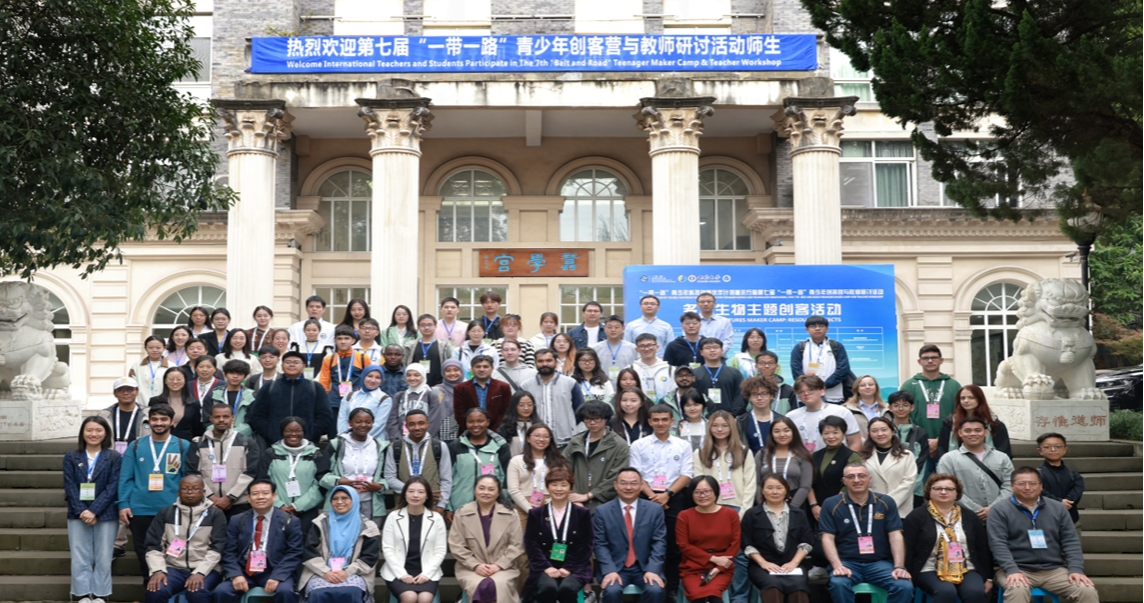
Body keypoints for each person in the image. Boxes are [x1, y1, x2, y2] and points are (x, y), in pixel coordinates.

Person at [989, 467, 1097, 603]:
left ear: (1041, 486)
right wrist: (1011, 569)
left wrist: (1076, 569)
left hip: (1053, 570)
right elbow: (998, 543)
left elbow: (1070, 541)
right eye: (1021, 483)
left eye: (1032, 483)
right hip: (1016, 569)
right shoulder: (999, 510)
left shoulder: (1057, 508)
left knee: (1086, 589)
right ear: (1012, 486)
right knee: (1017, 589)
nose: (1027, 487)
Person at [820, 463, 912, 603]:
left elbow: (895, 535)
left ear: (869, 479)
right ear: (844, 481)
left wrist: (899, 566)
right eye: (851, 476)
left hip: (880, 563)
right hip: (847, 562)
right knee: (838, 584)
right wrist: (837, 566)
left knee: (904, 586)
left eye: (861, 476)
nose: (857, 480)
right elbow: (827, 538)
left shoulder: (885, 502)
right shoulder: (831, 503)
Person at [631, 403, 694, 602]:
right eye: (656, 420)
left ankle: (672, 590)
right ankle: (648, 585)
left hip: (675, 498)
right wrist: (654, 498)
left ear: (672, 421)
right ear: (649, 422)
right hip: (645, 497)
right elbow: (636, 476)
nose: (660, 423)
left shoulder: (682, 445)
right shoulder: (638, 445)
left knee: (674, 546)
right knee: (645, 543)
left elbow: (687, 473)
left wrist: (667, 495)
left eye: (664, 419)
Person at [118, 404, 189, 581]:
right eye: (154, 419)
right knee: (144, 552)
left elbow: (187, 478)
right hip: (140, 508)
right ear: (148, 422)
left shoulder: (182, 445)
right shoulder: (135, 446)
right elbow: (126, 477)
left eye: (163, 419)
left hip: (172, 508)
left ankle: (169, 588)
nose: (159, 423)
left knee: (173, 550)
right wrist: (123, 504)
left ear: (172, 422)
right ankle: (150, 588)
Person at [693, 412, 755, 603]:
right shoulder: (701, 453)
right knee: (712, 554)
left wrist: (743, 513)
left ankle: (739, 598)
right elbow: (698, 484)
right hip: (711, 511)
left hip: (737, 510)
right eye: (715, 425)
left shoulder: (744, 452)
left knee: (740, 556)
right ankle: (713, 595)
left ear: (732, 428)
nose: (719, 429)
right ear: (709, 428)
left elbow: (750, 484)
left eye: (724, 425)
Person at [902, 474, 992, 603]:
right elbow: (908, 548)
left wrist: (988, 577)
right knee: (946, 591)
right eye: (938, 488)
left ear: (957, 493)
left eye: (949, 489)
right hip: (929, 568)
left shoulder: (969, 516)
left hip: (966, 568)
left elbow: (982, 548)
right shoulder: (916, 516)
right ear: (929, 491)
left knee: (975, 592)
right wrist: (907, 572)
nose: (943, 492)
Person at [211, 479, 303, 603]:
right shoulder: (237, 520)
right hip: (244, 570)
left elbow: (294, 553)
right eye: (255, 494)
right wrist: (236, 574)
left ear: (274, 496)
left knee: (285, 592)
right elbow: (229, 552)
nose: (260, 497)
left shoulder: (290, 521)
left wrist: (277, 576)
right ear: (248, 498)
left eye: (265, 493)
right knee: (222, 592)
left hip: (274, 569)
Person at [142, 475, 227, 603]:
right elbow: (152, 546)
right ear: (178, 492)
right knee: (156, 589)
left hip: (207, 569)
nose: (190, 492)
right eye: (185, 488)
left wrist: (200, 572)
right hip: (173, 568)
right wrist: (158, 570)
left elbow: (217, 548)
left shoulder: (215, 514)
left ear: (203, 492)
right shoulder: (166, 513)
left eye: (195, 489)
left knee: (197, 591)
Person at [65, 416, 121, 603]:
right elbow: (70, 486)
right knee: (80, 555)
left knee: (104, 556)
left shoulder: (113, 457)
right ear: (82, 433)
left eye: (98, 430)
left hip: (106, 513)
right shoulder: (72, 457)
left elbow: (113, 487)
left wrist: (94, 510)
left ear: (106, 433)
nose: (93, 434)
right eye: (89, 430)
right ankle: (82, 594)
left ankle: (100, 594)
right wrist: (83, 511)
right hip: (77, 513)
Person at [594, 467, 667, 603]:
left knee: (655, 590)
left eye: (633, 483)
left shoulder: (655, 510)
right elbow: (600, 544)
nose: (628, 487)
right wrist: (609, 570)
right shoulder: (602, 511)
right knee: (612, 591)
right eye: (623, 483)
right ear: (615, 485)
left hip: (644, 566)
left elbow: (659, 542)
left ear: (641, 486)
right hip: (616, 567)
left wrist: (652, 569)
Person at [299, 486, 382, 603]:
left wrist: (347, 572)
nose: (339, 502)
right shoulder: (320, 522)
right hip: (321, 571)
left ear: (354, 500)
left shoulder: (368, 526)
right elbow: (309, 551)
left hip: (355, 573)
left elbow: (370, 557)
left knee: (352, 591)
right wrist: (325, 572)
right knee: (318, 592)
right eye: (335, 499)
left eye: (344, 498)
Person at [450, 475, 526, 603]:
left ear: (498, 493)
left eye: (491, 489)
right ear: (474, 490)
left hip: (504, 568)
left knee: (497, 585)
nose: (486, 492)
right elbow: (456, 545)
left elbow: (517, 545)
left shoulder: (510, 514)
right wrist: (476, 565)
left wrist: (499, 565)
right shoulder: (462, 513)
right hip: (470, 568)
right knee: (481, 584)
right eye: (481, 488)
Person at [524, 467, 594, 603]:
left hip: (576, 567)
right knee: (548, 588)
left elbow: (587, 544)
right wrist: (546, 567)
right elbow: (531, 543)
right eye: (554, 484)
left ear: (570, 488)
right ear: (548, 487)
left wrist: (569, 568)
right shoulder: (536, 514)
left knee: (566, 588)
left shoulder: (582, 513)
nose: (558, 489)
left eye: (563, 485)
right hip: (544, 566)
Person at [742, 474, 813, 603]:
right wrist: (764, 563)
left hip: (792, 564)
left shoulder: (798, 514)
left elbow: (806, 542)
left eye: (779, 488)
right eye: (769, 488)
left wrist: (794, 563)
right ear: (762, 490)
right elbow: (747, 544)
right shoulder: (752, 514)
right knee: (772, 586)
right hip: (762, 566)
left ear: (786, 490)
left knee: (798, 587)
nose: (774, 492)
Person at [257, 417, 330, 536]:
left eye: (298, 430)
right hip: (276, 509)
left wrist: (298, 506)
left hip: (307, 510)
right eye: (288, 430)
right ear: (282, 432)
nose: (293, 434)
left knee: (304, 543)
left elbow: (320, 484)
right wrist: (279, 504)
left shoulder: (315, 455)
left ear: (304, 432)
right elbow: (263, 481)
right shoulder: (270, 454)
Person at [381, 478, 449, 603]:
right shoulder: (393, 516)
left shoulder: (436, 518)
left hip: (427, 570)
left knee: (425, 598)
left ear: (427, 495)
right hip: (398, 569)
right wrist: (402, 574)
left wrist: (426, 574)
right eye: (411, 491)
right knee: (409, 597)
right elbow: (388, 548)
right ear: (404, 494)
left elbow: (440, 550)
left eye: (421, 492)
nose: (415, 495)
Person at [187, 404, 260, 518]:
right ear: (210, 419)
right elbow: (194, 473)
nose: (221, 420)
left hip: (239, 503)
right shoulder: (198, 444)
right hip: (207, 503)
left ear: (232, 418)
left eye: (226, 416)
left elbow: (250, 473)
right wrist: (211, 497)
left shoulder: (247, 442)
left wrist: (230, 497)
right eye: (217, 417)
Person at [677, 476, 742, 603]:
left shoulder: (731, 514)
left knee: (714, 596)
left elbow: (735, 543)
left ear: (716, 492)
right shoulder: (684, 516)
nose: (702, 495)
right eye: (697, 492)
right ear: (691, 494)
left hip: (723, 567)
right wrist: (713, 559)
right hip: (693, 567)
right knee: (697, 597)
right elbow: (683, 545)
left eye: (707, 491)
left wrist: (720, 567)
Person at [935, 417, 1014, 521]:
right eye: (967, 430)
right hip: (962, 516)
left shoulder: (1002, 457)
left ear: (986, 432)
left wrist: (994, 508)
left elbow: (1010, 484)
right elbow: (947, 488)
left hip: (999, 515)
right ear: (960, 433)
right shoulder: (948, 459)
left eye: (978, 430)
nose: (973, 434)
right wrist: (976, 510)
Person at [247, 351, 334, 445]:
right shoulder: (269, 387)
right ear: (282, 366)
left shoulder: (315, 387)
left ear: (303, 366)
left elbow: (325, 416)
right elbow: (257, 415)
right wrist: (271, 433)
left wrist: (310, 433)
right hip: (274, 444)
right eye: (288, 362)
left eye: (296, 362)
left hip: (308, 443)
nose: (292, 365)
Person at [899, 345, 962, 469]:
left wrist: (939, 440)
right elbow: (902, 416)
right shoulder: (909, 385)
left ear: (941, 360)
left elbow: (960, 414)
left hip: (948, 443)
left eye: (934, 357)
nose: (930, 361)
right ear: (919, 361)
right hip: (916, 444)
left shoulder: (953, 385)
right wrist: (922, 439)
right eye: (925, 358)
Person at [322, 408, 390, 524]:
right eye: (358, 421)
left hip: (370, 504)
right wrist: (338, 481)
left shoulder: (380, 446)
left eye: (368, 422)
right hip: (341, 502)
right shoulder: (337, 444)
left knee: (369, 534)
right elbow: (321, 475)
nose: (363, 425)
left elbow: (387, 476)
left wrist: (380, 486)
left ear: (372, 423)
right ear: (350, 423)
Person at [384, 409, 453, 515]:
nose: (417, 427)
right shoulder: (395, 447)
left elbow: (446, 479)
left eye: (421, 423)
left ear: (427, 424)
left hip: (432, 506)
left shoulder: (439, 446)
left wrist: (441, 505)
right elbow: (389, 477)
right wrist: (417, 491)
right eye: (412, 424)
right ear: (406, 426)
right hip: (403, 505)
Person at [565, 400, 630, 510]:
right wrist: (573, 495)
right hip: (576, 501)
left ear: (606, 419)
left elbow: (616, 476)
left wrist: (590, 495)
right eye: (588, 419)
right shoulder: (576, 441)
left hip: (606, 503)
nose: (592, 422)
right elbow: (564, 470)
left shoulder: (619, 444)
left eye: (597, 418)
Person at [447, 408, 512, 514]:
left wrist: (504, 502)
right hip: (460, 506)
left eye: (480, 421)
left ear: (488, 422)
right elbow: (448, 477)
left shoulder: (500, 446)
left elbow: (506, 477)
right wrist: (448, 508)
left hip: (492, 506)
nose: (475, 425)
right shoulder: (456, 446)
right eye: (470, 421)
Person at [523, 349, 585, 447]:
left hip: (565, 442)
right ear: (535, 363)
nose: (545, 364)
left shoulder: (570, 383)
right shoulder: (526, 386)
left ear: (556, 362)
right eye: (540, 361)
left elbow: (580, 410)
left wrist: (569, 425)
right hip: (536, 443)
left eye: (549, 360)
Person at [808, 416, 863, 525]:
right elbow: (808, 482)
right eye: (826, 433)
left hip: (843, 506)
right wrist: (814, 505)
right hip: (816, 509)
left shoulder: (851, 456)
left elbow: (851, 483)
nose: (831, 436)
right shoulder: (814, 456)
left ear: (844, 433)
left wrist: (834, 505)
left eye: (835, 432)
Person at [785, 375, 861, 453]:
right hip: (801, 459)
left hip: (836, 459)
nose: (806, 393)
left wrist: (847, 459)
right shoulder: (791, 416)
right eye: (801, 392)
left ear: (822, 391)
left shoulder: (841, 412)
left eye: (811, 389)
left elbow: (855, 442)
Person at [936, 385, 1012, 459]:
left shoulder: (994, 423)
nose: (966, 401)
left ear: (980, 399)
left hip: (987, 464)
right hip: (956, 463)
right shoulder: (950, 422)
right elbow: (942, 447)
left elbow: (1004, 450)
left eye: (971, 397)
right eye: (962, 398)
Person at [861, 417, 918, 515]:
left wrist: (887, 503)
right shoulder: (863, 456)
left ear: (892, 432)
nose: (880, 434)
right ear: (869, 434)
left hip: (899, 508)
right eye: (874, 431)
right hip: (871, 507)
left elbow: (909, 482)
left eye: (884, 430)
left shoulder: (906, 455)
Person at [507, 423, 568, 515]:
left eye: (546, 436)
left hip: (553, 505)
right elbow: (513, 489)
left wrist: (551, 505)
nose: (541, 439)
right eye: (537, 436)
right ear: (528, 438)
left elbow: (565, 485)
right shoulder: (516, 461)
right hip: (523, 506)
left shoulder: (558, 461)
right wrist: (530, 511)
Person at [789, 316, 851, 404]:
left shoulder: (836, 346)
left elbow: (843, 370)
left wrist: (824, 385)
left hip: (833, 396)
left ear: (827, 329)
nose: (817, 328)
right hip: (807, 395)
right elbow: (796, 370)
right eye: (813, 326)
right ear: (807, 329)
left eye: (821, 326)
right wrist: (810, 387)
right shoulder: (800, 347)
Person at [756, 417, 815, 509]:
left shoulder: (803, 455)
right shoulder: (762, 454)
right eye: (777, 431)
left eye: (786, 430)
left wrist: (792, 508)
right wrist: (763, 507)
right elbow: (757, 483)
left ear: (793, 432)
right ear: (771, 434)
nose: (782, 434)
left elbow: (805, 486)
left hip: (795, 503)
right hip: (766, 503)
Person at [885, 391, 930, 507]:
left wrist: (908, 488)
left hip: (914, 491)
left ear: (912, 407)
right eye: (896, 405)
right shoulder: (883, 432)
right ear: (889, 408)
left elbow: (921, 464)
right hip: (886, 489)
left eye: (905, 405)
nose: (901, 409)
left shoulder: (921, 433)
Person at [317, 325, 369, 419]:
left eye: (346, 338)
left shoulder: (362, 358)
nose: (343, 341)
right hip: (334, 402)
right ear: (335, 341)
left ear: (353, 340)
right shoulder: (329, 359)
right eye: (339, 338)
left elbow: (369, 379)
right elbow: (324, 382)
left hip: (357, 401)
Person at [1037, 432, 1085, 528]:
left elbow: (1076, 493)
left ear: (1065, 450)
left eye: (1058, 446)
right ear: (1040, 451)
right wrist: (1059, 502)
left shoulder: (1074, 476)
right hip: (1043, 520)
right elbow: (1040, 492)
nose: (1053, 449)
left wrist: (1066, 502)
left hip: (1071, 520)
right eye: (1047, 447)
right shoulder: (1035, 475)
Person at [454, 354, 514, 429]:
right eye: (478, 367)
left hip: (497, 431)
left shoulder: (503, 387)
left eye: (485, 367)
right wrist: (473, 429)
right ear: (472, 369)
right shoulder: (460, 388)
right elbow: (459, 414)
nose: (481, 369)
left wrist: (494, 431)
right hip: (469, 431)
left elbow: (506, 411)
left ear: (492, 368)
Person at [387, 363, 443, 441]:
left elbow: (434, 421)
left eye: (416, 375)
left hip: (425, 441)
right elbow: (392, 420)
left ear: (423, 376)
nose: (412, 378)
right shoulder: (399, 396)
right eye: (408, 375)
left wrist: (421, 439)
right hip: (402, 440)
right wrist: (398, 440)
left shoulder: (430, 396)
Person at [150, 366, 205, 442]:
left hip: (186, 443)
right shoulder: (155, 401)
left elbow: (196, 428)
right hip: (160, 442)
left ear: (185, 380)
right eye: (171, 379)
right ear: (165, 381)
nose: (175, 382)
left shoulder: (194, 403)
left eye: (179, 379)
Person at [339, 364, 393, 440]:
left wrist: (358, 438)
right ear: (363, 376)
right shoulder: (349, 396)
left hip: (373, 441)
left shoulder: (384, 399)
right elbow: (342, 419)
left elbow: (379, 425)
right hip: (347, 441)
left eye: (378, 377)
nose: (373, 380)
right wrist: (345, 437)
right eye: (370, 376)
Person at [98, 377, 149, 455]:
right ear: (115, 393)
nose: (125, 393)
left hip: (140, 457)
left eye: (130, 389)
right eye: (121, 390)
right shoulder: (105, 415)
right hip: (112, 458)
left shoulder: (148, 414)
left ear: (137, 392)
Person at [694, 337, 745, 416]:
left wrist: (732, 414)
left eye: (716, 347)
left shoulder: (734, 373)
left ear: (721, 351)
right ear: (701, 352)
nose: (712, 350)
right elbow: (692, 397)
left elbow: (740, 396)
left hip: (730, 418)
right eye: (708, 348)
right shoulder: (695, 373)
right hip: (702, 418)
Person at [406, 314, 457, 387]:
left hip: (439, 385)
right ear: (418, 327)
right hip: (415, 385)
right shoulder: (410, 346)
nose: (426, 328)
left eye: (430, 325)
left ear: (435, 326)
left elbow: (451, 364)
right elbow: (405, 365)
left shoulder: (445, 345)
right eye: (423, 325)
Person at [211, 360, 255, 439]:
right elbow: (207, 421)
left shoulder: (252, 396)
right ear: (225, 375)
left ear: (245, 377)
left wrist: (233, 434)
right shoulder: (213, 395)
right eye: (231, 373)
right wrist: (220, 433)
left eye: (239, 374)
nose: (235, 376)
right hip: (216, 437)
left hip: (242, 439)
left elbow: (252, 421)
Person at [737, 375, 781, 455]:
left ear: (772, 396)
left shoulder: (781, 420)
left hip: (777, 461)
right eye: (754, 394)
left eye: (764, 393)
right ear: (749, 398)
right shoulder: (741, 422)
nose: (759, 398)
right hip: (750, 462)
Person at [630, 333, 676, 402]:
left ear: (657, 347)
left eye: (650, 345)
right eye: (642, 346)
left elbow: (674, 393)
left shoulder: (670, 369)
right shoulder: (631, 369)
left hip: (664, 407)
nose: (646, 349)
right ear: (637, 349)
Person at [842, 376, 888, 441]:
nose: (867, 387)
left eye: (871, 384)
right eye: (863, 385)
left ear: (876, 387)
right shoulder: (847, 409)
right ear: (857, 389)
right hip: (859, 445)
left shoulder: (887, 409)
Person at [593, 315, 638, 379]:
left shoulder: (632, 348)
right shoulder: (596, 348)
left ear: (623, 329)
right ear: (604, 329)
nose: (613, 330)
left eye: (617, 327)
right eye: (609, 327)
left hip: (626, 383)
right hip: (603, 383)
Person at [498, 391, 542, 455]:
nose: (526, 408)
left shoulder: (539, 426)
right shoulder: (506, 427)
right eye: (521, 405)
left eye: (529, 405)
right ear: (514, 406)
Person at [131, 336, 171, 404]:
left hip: (164, 405)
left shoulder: (171, 366)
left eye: (158, 347)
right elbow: (132, 386)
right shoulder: (136, 366)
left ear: (164, 348)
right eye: (150, 347)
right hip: (142, 404)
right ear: (145, 348)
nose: (154, 350)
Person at [434, 359, 465, 441]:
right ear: (443, 372)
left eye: (456, 370)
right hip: (442, 433)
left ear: (461, 371)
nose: (452, 373)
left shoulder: (467, 389)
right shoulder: (436, 390)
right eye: (448, 370)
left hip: (464, 432)